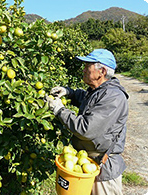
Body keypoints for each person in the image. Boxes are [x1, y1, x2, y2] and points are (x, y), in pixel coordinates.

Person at [45, 49, 129, 195]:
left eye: (87, 66)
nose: (83, 70)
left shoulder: (113, 97)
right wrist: (69, 92)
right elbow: (86, 99)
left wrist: (59, 110)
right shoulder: (98, 90)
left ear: (101, 71)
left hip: (102, 168)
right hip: (85, 162)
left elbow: (86, 129)